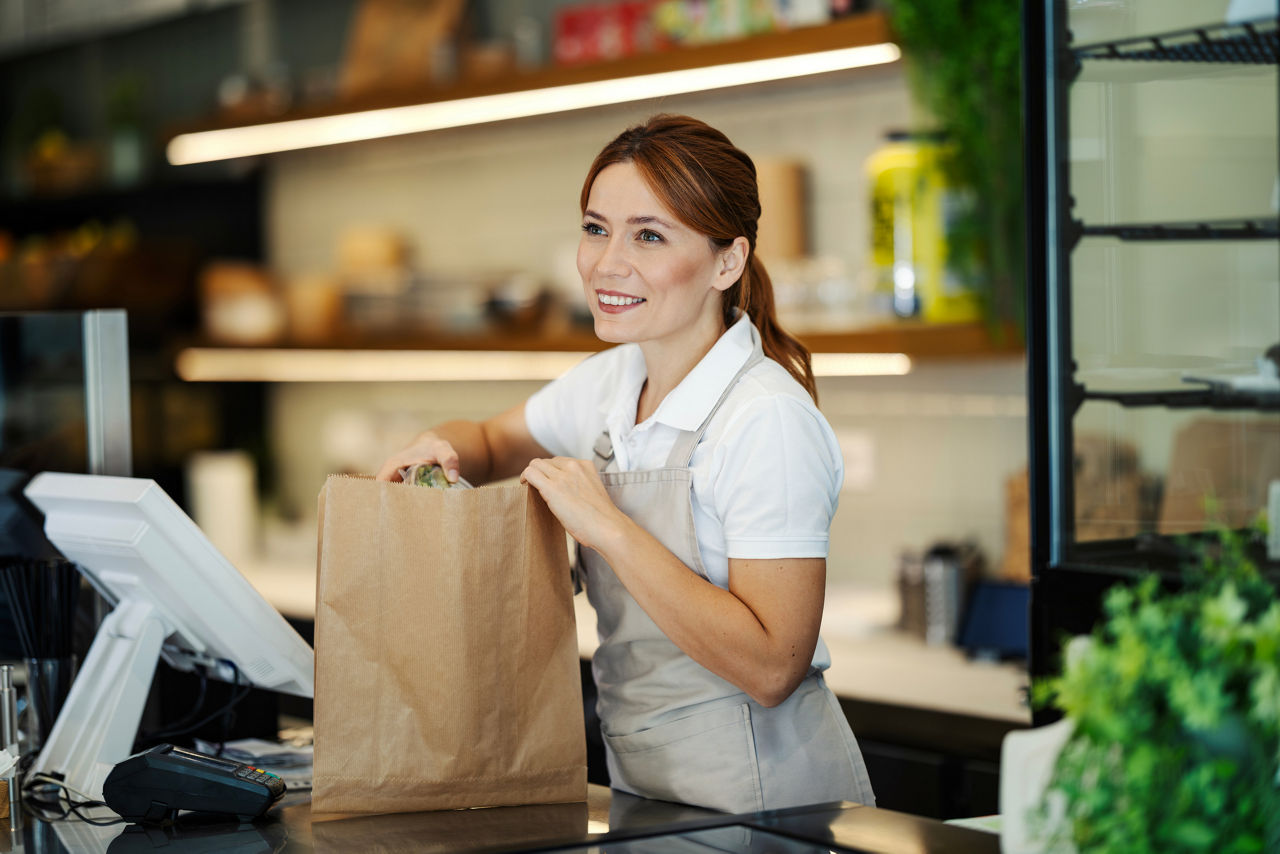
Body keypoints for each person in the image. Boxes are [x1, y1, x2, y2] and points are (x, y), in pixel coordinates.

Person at [376, 114, 875, 813]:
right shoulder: (611, 382)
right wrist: (438, 446)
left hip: (769, 801)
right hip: (648, 788)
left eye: (649, 235)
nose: (608, 263)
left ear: (726, 262)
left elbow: (772, 667)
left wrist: (609, 528)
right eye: (595, 228)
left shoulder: (765, 419)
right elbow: (490, 441)